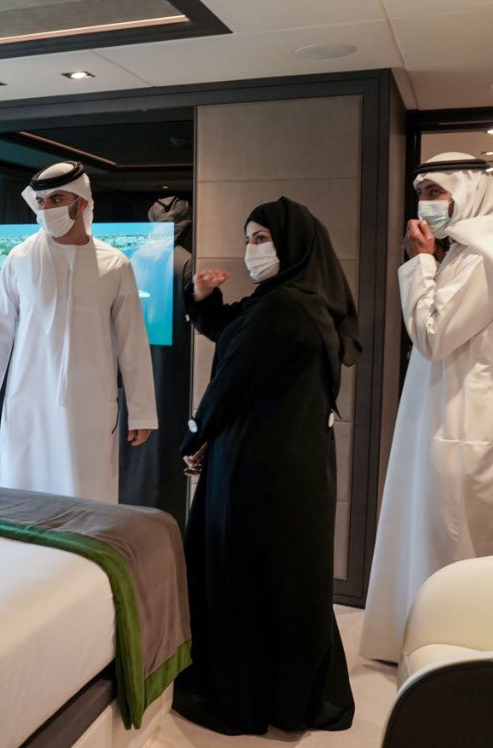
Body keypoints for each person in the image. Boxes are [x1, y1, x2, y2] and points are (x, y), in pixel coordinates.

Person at [174, 197, 358, 735]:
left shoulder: (284, 308)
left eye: (261, 239)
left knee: (247, 573)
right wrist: (204, 300)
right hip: (291, 463)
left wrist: (195, 433)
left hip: (260, 464)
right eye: (248, 239)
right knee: (284, 576)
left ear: (292, 244)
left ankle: (247, 694)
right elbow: (236, 334)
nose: (250, 249)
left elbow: (231, 379)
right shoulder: (296, 300)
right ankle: (288, 696)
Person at [361, 152, 493, 663]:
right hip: (460, 421)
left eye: (437, 192)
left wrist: (421, 261)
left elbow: (433, 335)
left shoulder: (485, 258)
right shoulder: (474, 252)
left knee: (449, 545)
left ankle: (446, 652)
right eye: (422, 192)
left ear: (469, 192)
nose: (427, 203)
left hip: (467, 427)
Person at [0, 160, 157, 502]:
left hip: (90, 404)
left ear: (82, 203)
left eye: (56, 199)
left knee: (86, 496)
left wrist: (141, 412)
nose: (47, 208)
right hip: (29, 400)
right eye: (41, 201)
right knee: (22, 496)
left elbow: (133, 344)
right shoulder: (19, 258)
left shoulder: (115, 264)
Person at [119, 196, 192, 529]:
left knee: (132, 439)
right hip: (174, 365)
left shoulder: (129, 260)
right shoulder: (186, 263)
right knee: (166, 439)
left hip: (131, 360)